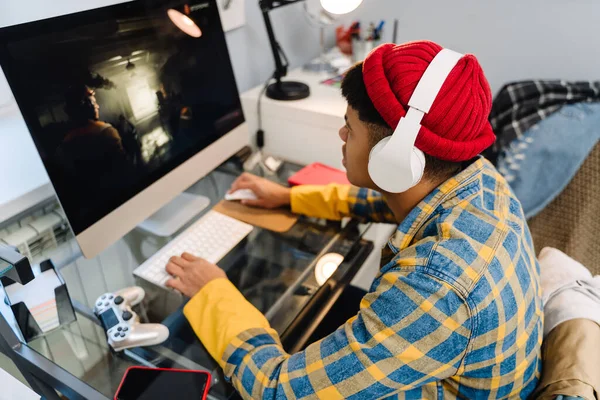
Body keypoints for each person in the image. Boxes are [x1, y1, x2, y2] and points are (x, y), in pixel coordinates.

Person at [165, 41, 543, 399]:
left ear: (394, 158)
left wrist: (212, 292)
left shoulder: (437, 286)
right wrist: (291, 197)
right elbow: (389, 202)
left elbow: (276, 389)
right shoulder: (479, 179)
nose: (342, 134)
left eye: (350, 126)